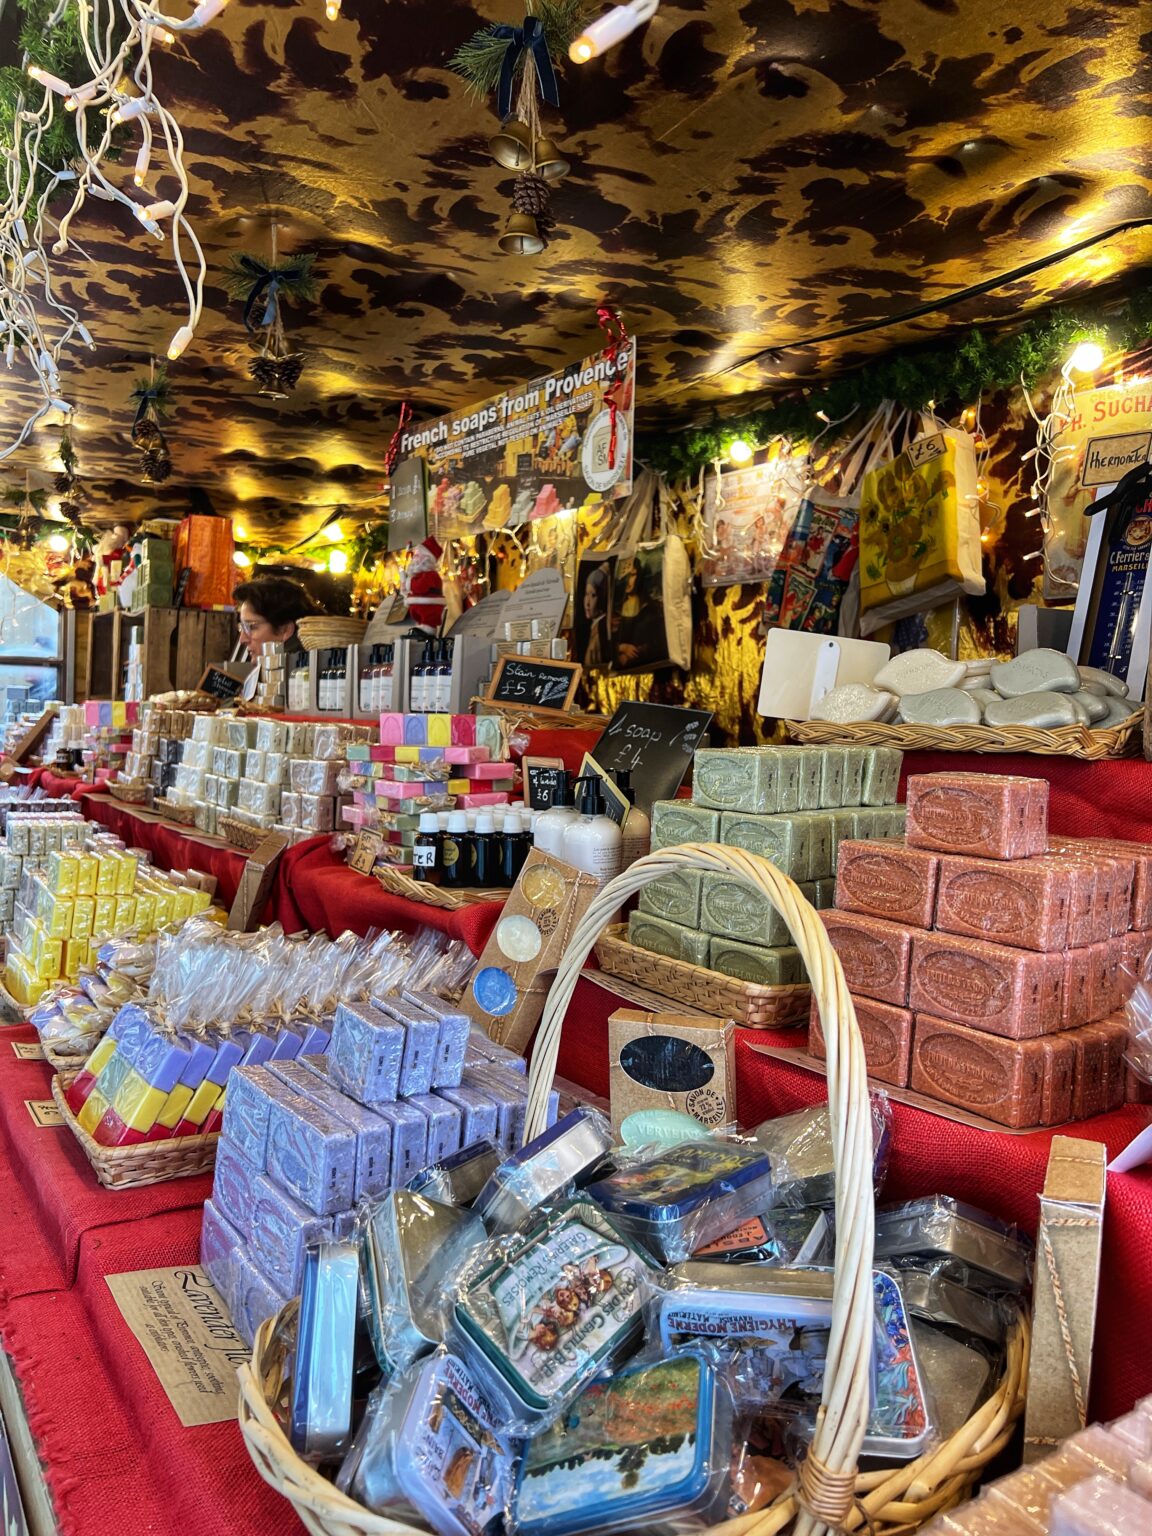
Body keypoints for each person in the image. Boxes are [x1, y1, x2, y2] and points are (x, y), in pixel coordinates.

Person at [232, 577, 323, 699]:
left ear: (285, 630)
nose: (242, 639)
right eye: (242, 627)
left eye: (251, 627)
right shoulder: (265, 672)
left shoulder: (301, 678)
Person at [581, 563, 611, 671]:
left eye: (593, 595)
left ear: (603, 597)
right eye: (586, 594)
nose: (587, 603)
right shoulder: (595, 626)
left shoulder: (601, 629)